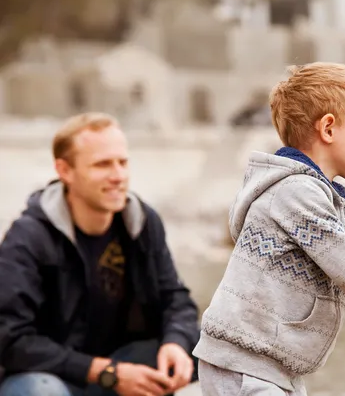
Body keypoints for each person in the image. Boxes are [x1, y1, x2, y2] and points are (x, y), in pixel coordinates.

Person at [193, 62, 345, 396]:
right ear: (328, 129)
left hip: (280, 368)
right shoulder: (295, 194)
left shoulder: (333, 203)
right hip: (243, 363)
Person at [0, 113, 200, 396]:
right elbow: (9, 339)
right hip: (52, 374)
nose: (118, 176)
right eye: (102, 164)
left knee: (212, 344)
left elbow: (175, 299)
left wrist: (176, 344)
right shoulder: (28, 238)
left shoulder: (141, 222)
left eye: (123, 162)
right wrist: (105, 373)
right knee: (41, 391)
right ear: (64, 171)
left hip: (122, 362)